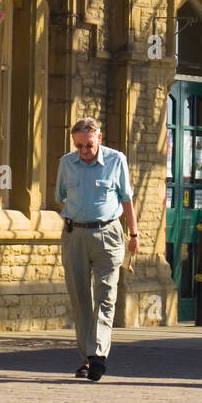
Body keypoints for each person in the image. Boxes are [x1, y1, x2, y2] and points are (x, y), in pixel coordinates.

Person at [55, 117, 140, 381]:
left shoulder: (116, 161)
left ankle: (98, 354)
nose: (84, 152)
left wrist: (134, 235)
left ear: (99, 138)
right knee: (81, 299)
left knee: (105, 294)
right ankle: (88, 357)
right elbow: (60, 197)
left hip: (109, 234)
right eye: (79, 146)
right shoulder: (66, 164)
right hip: (75, 235)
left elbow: (126, 199)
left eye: (89, 145)